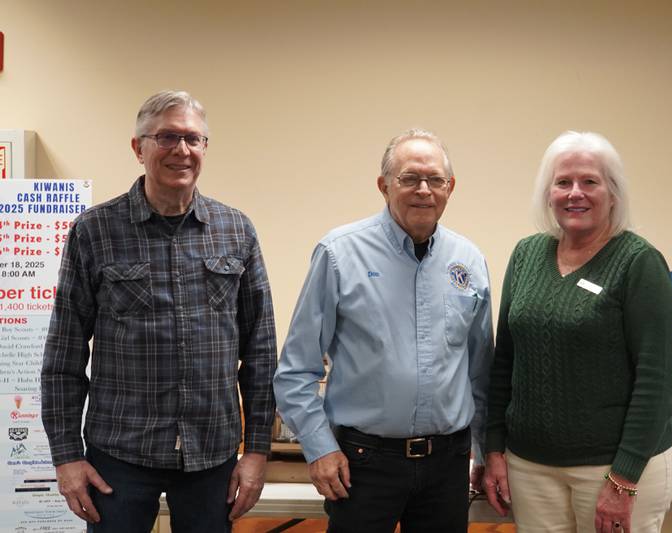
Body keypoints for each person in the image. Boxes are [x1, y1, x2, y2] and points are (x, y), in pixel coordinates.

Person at [40, 90, 277, 533]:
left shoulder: (236, 231)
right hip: (119, 455)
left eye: (193, 138)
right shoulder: (95, 231)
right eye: (167, 137)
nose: (181, 150)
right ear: (139, 148)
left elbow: (261, 353)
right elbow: (63, 358)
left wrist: (258, 450)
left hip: (212, 455)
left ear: (205, 147)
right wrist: (67, 456)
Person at [274, 129, 494, 533]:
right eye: (409, 178)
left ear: (451, 188)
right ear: (384, 186)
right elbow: (295, 371)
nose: (423, 190)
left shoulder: (470, 261)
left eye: (435, 180)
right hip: (364, 464)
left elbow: (480, 373)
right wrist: (319, 448)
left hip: (448, 465)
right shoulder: (339, 254)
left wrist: (484, 452)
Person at [483, 131, 672, 533]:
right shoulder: (526, 255)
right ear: (548, 192)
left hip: (613, 470)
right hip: (530, 468)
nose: (576, 193)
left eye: (590, 181)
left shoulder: (639, 263)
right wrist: (494, 448)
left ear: (613, 193)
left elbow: (657, 381)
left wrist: (623, 478)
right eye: (563, 182)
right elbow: (505, 361)